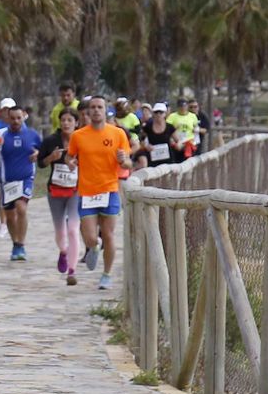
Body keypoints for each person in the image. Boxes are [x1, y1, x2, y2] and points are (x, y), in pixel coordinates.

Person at [66, 95, 133, 290]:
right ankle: (94, 246)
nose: (96, 111)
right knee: (89, 236)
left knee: (109, 234)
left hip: (110, 190)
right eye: (92, 108)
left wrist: (124, 161)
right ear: (87, 112)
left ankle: (106, 274)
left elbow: (128, 163)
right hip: (87, 192)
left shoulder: (118, 134)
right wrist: (70, 163)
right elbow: (69, 157)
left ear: (106, 111)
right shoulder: (78, 136)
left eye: (99, 107)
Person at [37, 108, 82, 284]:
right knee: (60, 231)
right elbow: (40, 163)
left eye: (70, 120)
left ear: (76, 123)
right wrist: (51, 157)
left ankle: (72, 271)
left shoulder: (82, 140)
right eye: (63, 120)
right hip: (55, 190)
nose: (66, 123)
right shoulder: (50, 141)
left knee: (72, 229)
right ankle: (63, 251)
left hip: (75, 190)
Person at [0, 105, 41, 263]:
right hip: (6, 181)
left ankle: (21, 243)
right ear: (7, 118)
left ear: (24, 117)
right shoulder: (1, 136)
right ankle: (15, 243)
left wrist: (37, 154)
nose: (15, 121)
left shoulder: (32, 135)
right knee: (10, 216)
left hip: (26, 178)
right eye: (12, 118)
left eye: (18, 118)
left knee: (21, 208)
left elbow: (43, 150)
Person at [0, 98, 16, 239]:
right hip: (1, 165)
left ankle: (14, 220)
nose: (7, 112)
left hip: (17, 165)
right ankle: (3, 223)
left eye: (9, 109)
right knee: (1, 195)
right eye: (4, 109)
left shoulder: (18, 124)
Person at [135, 102, 180, 169]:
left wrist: (177, 145)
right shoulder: (148, 127)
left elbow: (178, 140)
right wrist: (146, 146)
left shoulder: (170, 127)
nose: (158, 115)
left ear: (165, 114)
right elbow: (141, 140)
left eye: (161, 112)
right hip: (153, 159)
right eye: (156, 112)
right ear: (153, 114)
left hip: (168, 160)